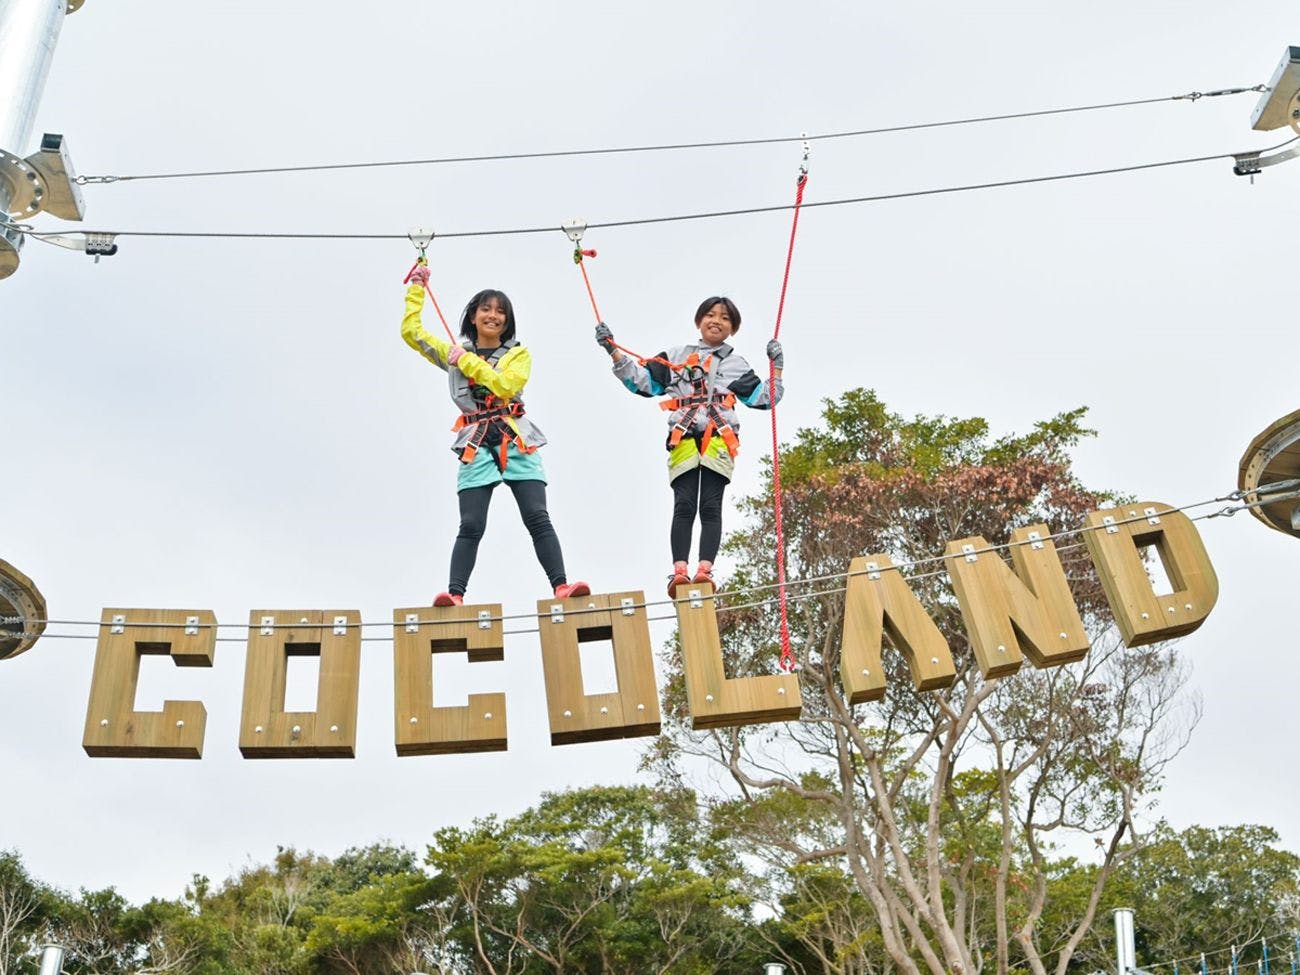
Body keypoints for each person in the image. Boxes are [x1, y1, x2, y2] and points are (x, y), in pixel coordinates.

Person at [403, 263, 589, 606]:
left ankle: (560, 586)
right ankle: (455, 595)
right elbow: (412, 333)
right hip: (476, 442)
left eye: (500, 311)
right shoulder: (456, 353)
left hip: (515, 437)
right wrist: (417, 287)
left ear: (508, 320)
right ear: (473, 316)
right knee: (471, 522)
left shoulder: (518, 354)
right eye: (486, 309)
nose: (493, 316)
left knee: (537, 515)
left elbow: (506, 385)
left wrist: (467, 362)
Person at [594, 297, 784, 596]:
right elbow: (642, 382)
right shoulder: (676, 356)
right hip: (683, 435)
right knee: (684, 504)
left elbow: (765, 398)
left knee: (710, 504)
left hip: (719, 435)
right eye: (710, 315)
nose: (716, 321)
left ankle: (705, 569)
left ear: (732, 328)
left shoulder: (735, 364)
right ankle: (679, 570)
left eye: (724, 318)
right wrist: (613, 351)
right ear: (699, 321)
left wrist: (777, 367)